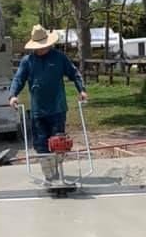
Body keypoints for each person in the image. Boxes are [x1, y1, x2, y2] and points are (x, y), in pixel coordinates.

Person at [9, 25, 88, 160]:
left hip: (57, 109)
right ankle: (49, 173)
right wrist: (13, 95)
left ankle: (59, 171)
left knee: (58, 143)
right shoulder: (27, 61)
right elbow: (18, 79)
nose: (41, 49)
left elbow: (74, 73)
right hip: (38, 110)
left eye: (43, 45)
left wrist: (82, 90)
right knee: (41, 145)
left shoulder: (59, 58)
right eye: (38, 46)